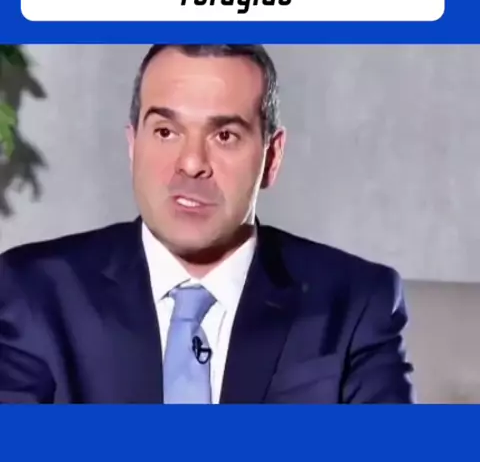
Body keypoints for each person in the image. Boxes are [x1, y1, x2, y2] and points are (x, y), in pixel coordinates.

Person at [0, 44, 414, 403]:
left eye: (225, 136)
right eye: (166, 132)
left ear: (272, 157)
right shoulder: (33, 291)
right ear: (132, 145)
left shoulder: (355, 302)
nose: (192, 163)